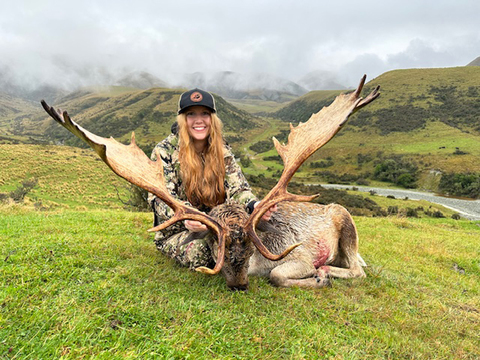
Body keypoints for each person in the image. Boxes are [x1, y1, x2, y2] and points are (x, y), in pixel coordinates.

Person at [148, 88, 275, 270]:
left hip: (218, 228)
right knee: (203, 253)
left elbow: (238, 189)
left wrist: (254, 205)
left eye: (205, 114)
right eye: (191, 114)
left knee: (247, 241)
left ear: (212, 119)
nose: (199, 120)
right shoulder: (163, 151)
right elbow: (158, 198)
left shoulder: (222, 150)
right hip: (181, 231)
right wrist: (186, 217)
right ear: (183, 120)